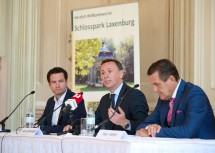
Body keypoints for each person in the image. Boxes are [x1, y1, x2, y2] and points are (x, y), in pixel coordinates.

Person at [136, 59, 215, 139]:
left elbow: (187, 132)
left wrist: (155, 132)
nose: (154, 90)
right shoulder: (164, 98)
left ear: (171, 79)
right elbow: (143, 125)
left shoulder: (195, 94)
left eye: (157, 85)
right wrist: (149, 128)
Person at [95, 59, 149, 135]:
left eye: (109, 71)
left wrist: (124, 122)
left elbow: (144, 125)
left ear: (121, 74)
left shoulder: (135, 95)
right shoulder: (104, 99)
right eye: (103, 73)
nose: (105, 76)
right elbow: (95, 124)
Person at [37, 67, 86, 133]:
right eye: (54, 82)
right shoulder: (50, 101)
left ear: (66, 82)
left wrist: (47, 128)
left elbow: (71, 128)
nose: (57, 85)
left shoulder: (75, 99)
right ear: (49, 85)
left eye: (60, 81)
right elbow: (41, 124)